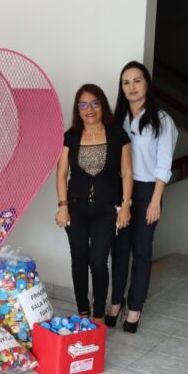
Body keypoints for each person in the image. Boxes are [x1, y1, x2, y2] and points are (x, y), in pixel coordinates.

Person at [108, 61, 178, 333]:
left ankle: (135, 307)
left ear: (147, 83)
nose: (132, 87)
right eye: (126, 82)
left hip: (148, 190)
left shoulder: (162, 120)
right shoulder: (118, 119)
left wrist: (156, 200)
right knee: (119, 249)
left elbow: (163, 164)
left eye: (137, 81)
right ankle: (116, 302)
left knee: (141, 251)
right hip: (120, 190)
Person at [56, 84, 132, 321]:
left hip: (107, 210)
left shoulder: (118, 135)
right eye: (83, 104)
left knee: (98, 262)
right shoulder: (71, 136)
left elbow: (127, 173)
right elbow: (61, 174)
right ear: (77, 109)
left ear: (102, 105)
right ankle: (82, 311)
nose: (89, 109)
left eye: (94, 103)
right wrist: (62, 206)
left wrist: (126, 205)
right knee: (78, 259)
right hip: (76, 208)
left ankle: (98, 314)